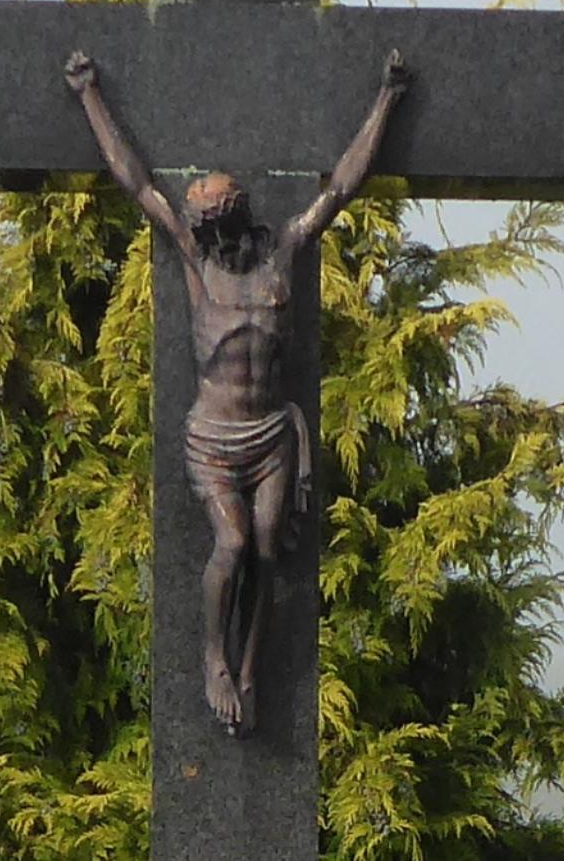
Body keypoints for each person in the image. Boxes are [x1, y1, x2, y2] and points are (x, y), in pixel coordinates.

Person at [64, 46, 410, 733]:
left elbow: (340, 186)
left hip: (273, 438)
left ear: (235, 221)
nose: (203, 237)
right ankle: (214, 658)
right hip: (216, 438)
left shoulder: (283, 252)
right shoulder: (196, 263)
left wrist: (388, 98)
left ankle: (250, 670)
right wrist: (88, 96)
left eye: (212, 225)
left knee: (266, 549)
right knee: (230, 544)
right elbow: (135, 182)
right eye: (199, 229)